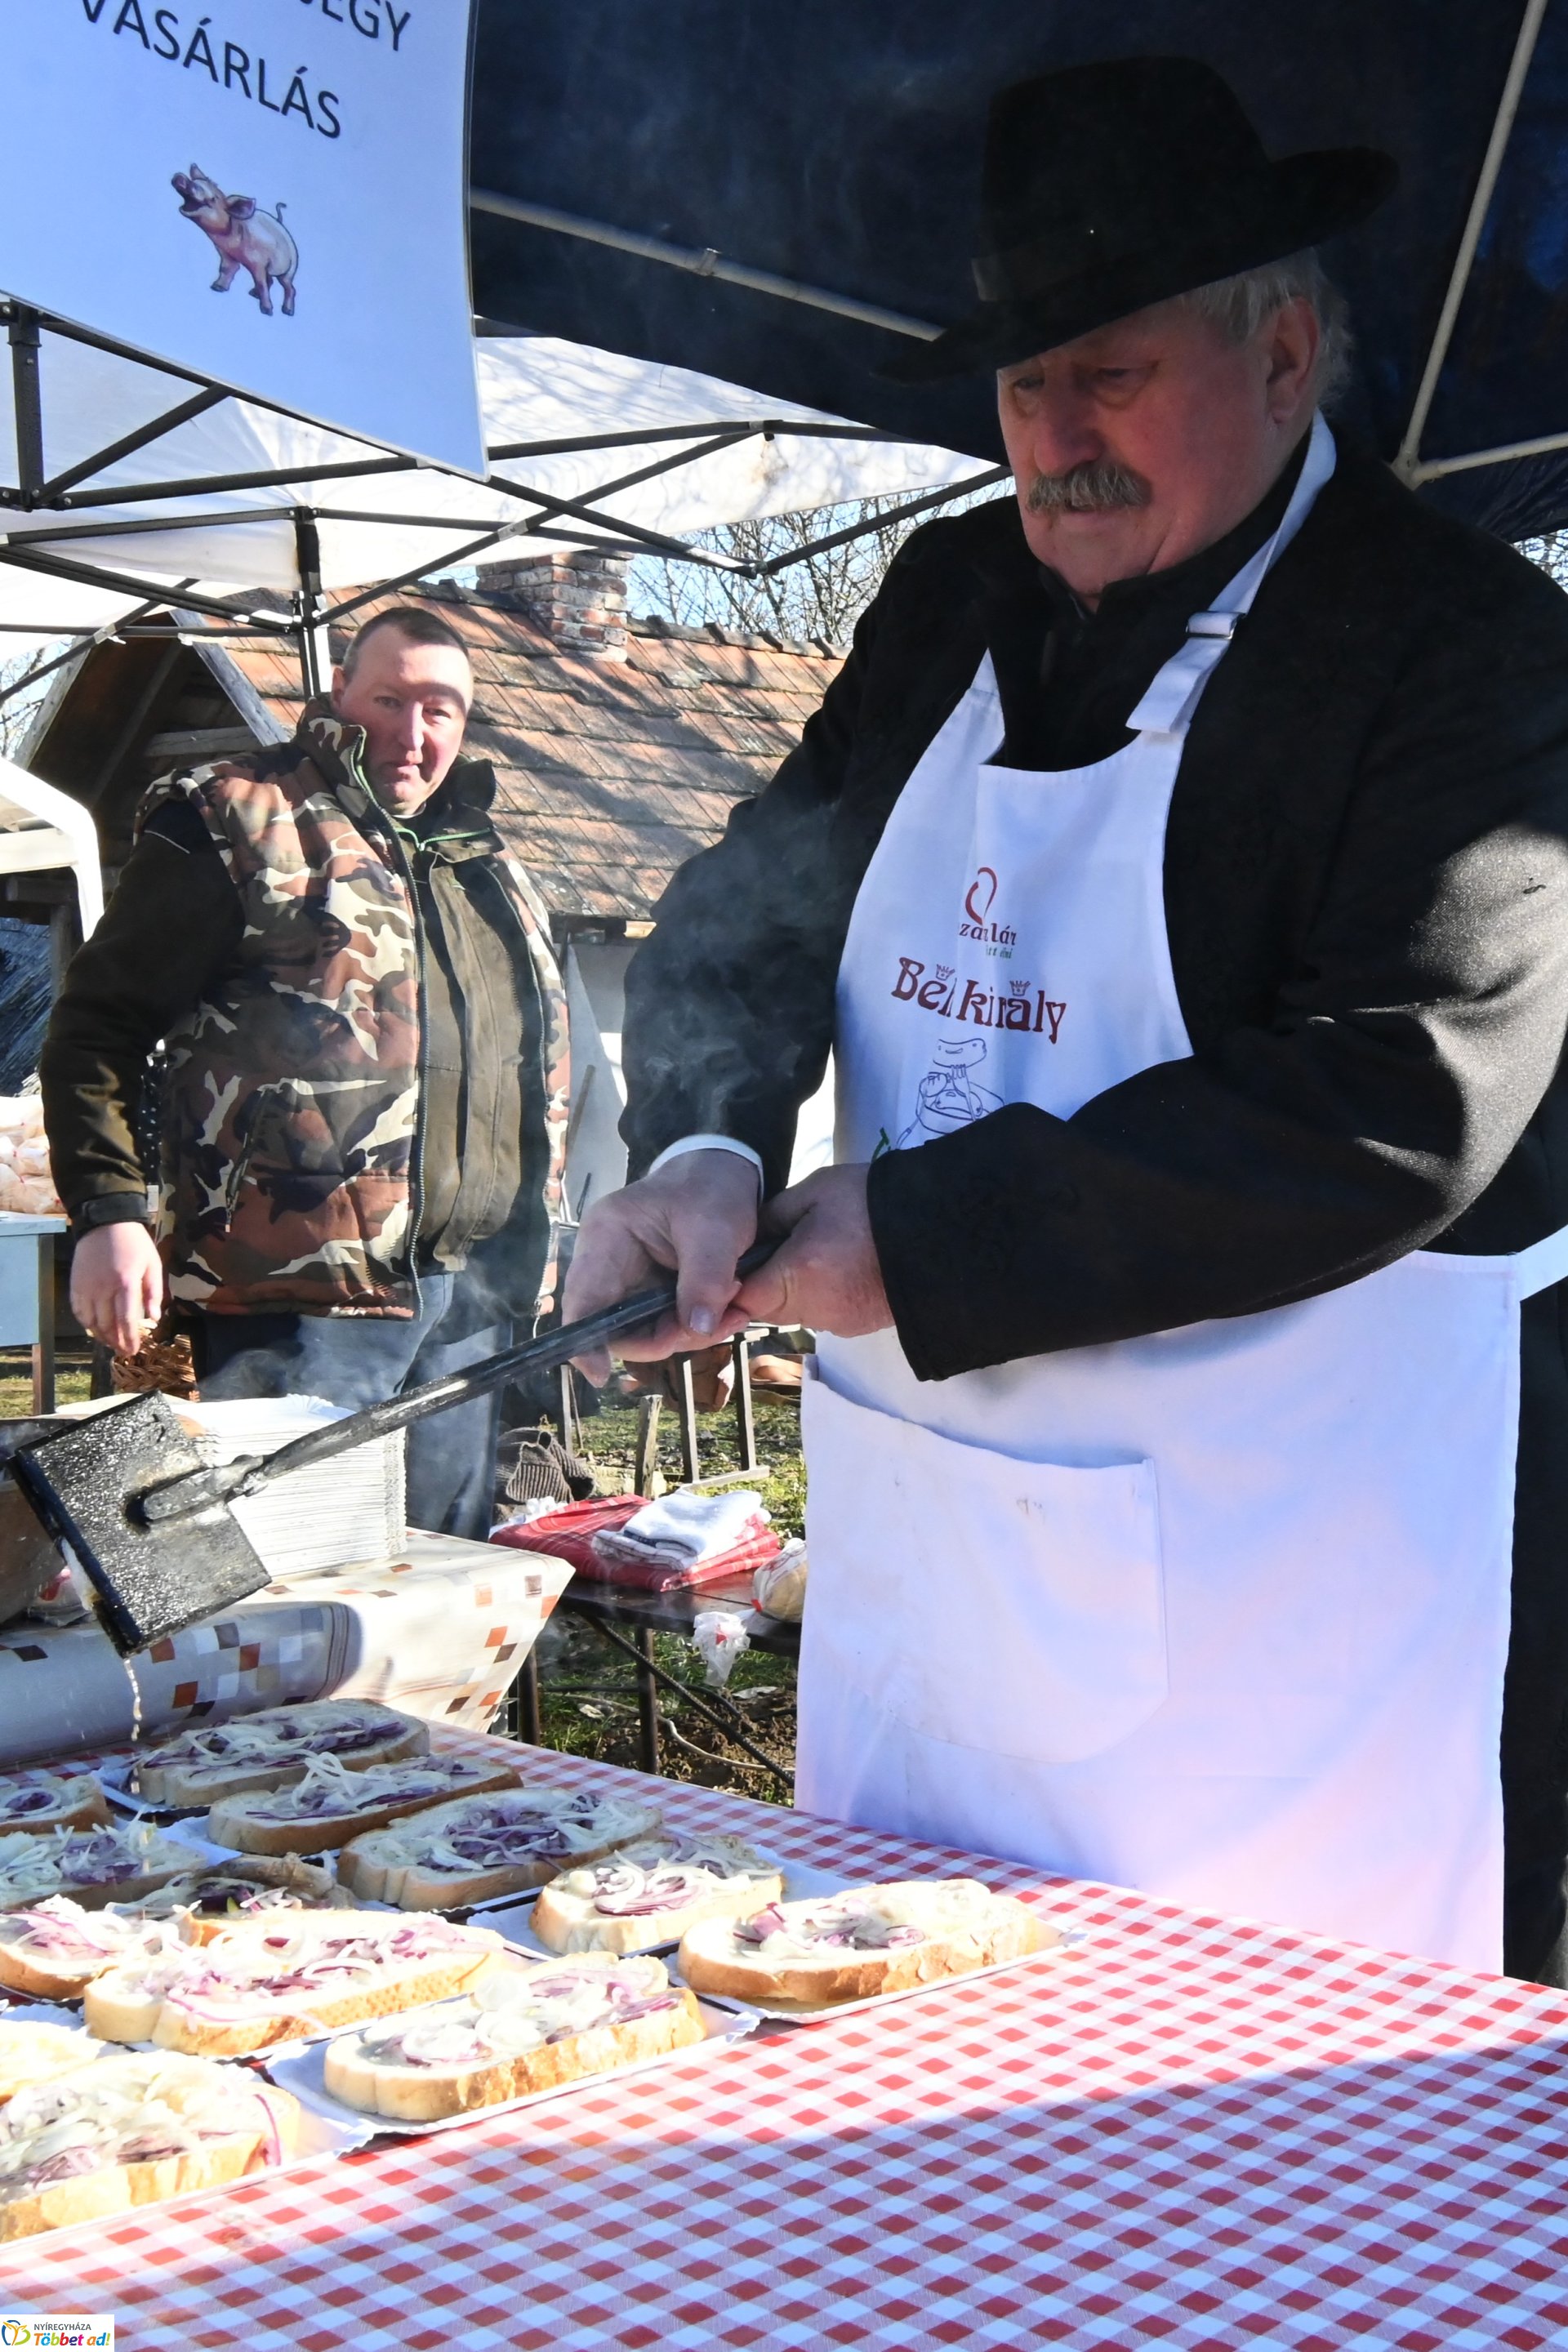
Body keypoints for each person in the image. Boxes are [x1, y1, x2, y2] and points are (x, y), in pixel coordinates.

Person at [564, 57, 1568, 1980]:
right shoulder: (948, 597)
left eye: (1113, 370)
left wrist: (922, 1238)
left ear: (1284, 355)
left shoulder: (1463, 648)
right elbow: (741, 919)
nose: (1056, 436)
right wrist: (698, 1148)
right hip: (939, 1574)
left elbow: (1404, 1088)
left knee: (1265, 2189)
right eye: (1027, 386)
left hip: (1300, 1605)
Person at [42, 604, 568, 1540]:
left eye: (441, 708)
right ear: (339, 696)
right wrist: (108, 1214)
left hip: (477, 1299)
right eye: (390, 698)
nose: (414, 732)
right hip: (299, 1304)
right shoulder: (235, 818)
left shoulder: (487, 864)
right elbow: (97, 1028)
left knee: (435, 1579)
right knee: (297, 1578)